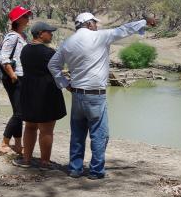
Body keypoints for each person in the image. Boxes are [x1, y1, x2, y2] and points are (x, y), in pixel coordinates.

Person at [48, 12, 157, 179]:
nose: (97, 25)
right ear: (89, 24)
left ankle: (75, 169)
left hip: (77, 94)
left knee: (77, 133)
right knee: (99, 134)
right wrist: (145, 22)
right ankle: (96, 171)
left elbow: (53, 65)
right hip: (96, 95)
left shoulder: (67, 42)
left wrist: (65, 84)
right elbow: (124, 30)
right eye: (95, 23)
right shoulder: (100, 37)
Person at [12, 22, 66, 169]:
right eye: (50, 32)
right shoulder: (49, 53)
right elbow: (57, 71)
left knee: (30, 127)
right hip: (46, 93)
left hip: (28, 92)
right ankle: (45, 163)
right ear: (41, 33)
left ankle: (26, 160)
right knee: (46, 130)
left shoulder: (25, 50)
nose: (52, 34)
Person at [0, 6, 31, 155]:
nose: (28, 18)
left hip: (21, 77)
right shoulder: (12, 36)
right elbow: (3, 58)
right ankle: (4, 144)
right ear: (17, 20)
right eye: (25, 16)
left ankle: (18, 145)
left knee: (19, 112)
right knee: (19, 113)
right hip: (14, 78)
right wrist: (13, 75)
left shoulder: (22, 36)